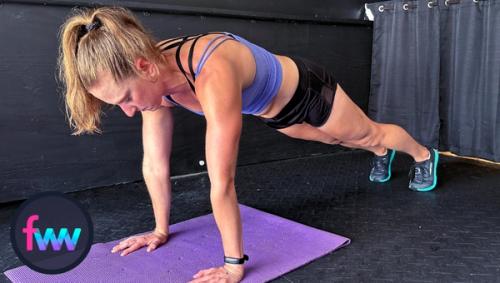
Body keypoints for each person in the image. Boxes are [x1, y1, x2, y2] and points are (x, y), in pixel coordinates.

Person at [58, 6, 439, 283]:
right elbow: (155, 165)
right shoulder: (152, 86)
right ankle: (378, 153)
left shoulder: (211, 71)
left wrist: (233, 265)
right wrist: (160, 231)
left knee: (363, 133)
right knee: (335, 139)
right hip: (274, 112)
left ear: (144, 67)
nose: (128, 111)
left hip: (306, 90)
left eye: (126, 98)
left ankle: (423, 155)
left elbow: (222, 182)